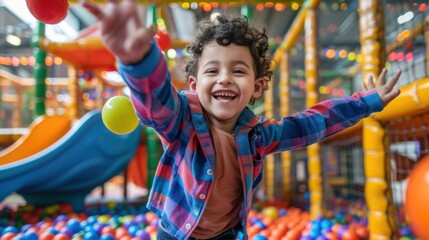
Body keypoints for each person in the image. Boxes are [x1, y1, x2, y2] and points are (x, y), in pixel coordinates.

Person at [83, 1, 402, 239]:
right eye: (212, 70)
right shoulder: (181, 121)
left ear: (256, 87)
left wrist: (366, 102)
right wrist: (138, 60)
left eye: (238, 70)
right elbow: (155, 103)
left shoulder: (259, 136)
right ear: (194, 86)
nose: (224, 79)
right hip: (177, 230)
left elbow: (312, 124)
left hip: (226, 233)